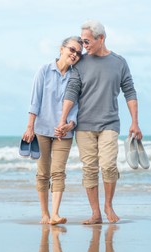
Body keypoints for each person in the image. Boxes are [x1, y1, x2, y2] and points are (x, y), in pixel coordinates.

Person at [55, 20, 142, 224]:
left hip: (109, 124)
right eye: (82, 41)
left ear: (100, 38)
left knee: (109, 165)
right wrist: (62, 119)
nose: (84, 46)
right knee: (90, 169)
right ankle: (95, 213)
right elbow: (72, 91)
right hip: (84, 126)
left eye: (87, 41)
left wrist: (135, 123)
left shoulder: (119, 63)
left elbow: (130, 91)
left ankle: (108, 206)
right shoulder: (80, 63)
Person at [22, 36, 83, 225]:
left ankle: (55, 214)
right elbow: (35, 100)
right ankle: (44, 214)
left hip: (64, 133)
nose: (74, 54)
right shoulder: (44, 70)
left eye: (78, 53)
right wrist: (30, 126)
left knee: (58, 172)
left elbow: (77, 106)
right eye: (72, 50)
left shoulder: (76, 76)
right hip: (41, 130)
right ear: (62, 48)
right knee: (43, 173)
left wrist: (69, 124)